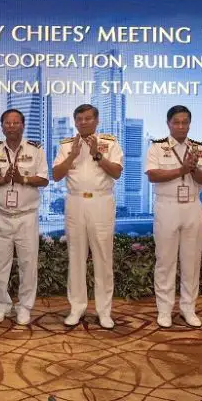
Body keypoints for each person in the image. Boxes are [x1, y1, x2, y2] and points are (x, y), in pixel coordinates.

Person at [53, 104, 123, 329]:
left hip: (101, 201)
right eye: (79, 119)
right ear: (75, 122)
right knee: (76, 256)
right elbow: (56, 175)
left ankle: (104, 311)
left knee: (103, 257)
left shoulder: (109, 143)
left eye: (88, 118)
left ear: (97, 120)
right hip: (75, 202)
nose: (83, 122)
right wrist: (72, 155)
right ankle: (77, 308)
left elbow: (117, 172)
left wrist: (97, 155)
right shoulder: (66, 145)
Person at [146, 105, 202, 329]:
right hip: (167, 206)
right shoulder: (157, 147)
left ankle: (188, 308)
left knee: (191, 261)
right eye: (176, 122)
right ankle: (164, 310)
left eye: (185, 122)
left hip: (192, 206)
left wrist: (193, 169)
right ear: (168, 124)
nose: (181, 126)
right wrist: (181, 170)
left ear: (190, 124)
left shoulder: (200, 148)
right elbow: (153, 175)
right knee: (165, 260)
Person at [0, 109, 49, 326]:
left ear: (23, 125)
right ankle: (2, 304)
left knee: (28, 263)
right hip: (2, 215)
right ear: (2, 127)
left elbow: (44, 179)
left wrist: (23, 179)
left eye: (16, 123)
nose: (11, 126)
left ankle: (25, 306)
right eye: (7, 123)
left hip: (26, 216)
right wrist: (1, 181)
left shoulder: (36, 149)